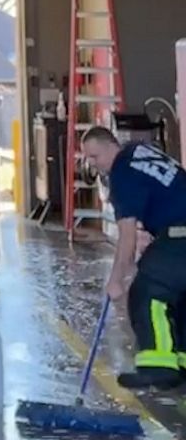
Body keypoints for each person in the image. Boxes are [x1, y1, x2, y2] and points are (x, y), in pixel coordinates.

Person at [82, 126, 186, 389]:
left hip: (179, 234)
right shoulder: (140, 151)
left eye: (94, 157)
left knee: (148, 291)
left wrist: (116, 280)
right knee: (181, 294)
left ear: (109, 146)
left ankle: (158, 367)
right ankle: (181, 363)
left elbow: (126, 238)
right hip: (176, 232)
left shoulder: (122, 174)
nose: (93, 165)